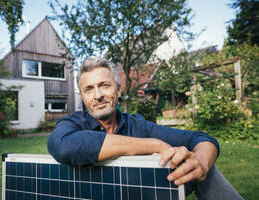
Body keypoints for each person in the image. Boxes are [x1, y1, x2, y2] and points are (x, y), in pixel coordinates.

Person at [48, 57, 243, 200]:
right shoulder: (73, 123)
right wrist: (154, 145)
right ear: (82, 96)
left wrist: (201, 162)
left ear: (118, 89)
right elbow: (63, 145)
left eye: (104, 85)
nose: (97, 95)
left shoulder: (137, 125)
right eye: (88, 89)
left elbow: (201, 138)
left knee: (201, 167)